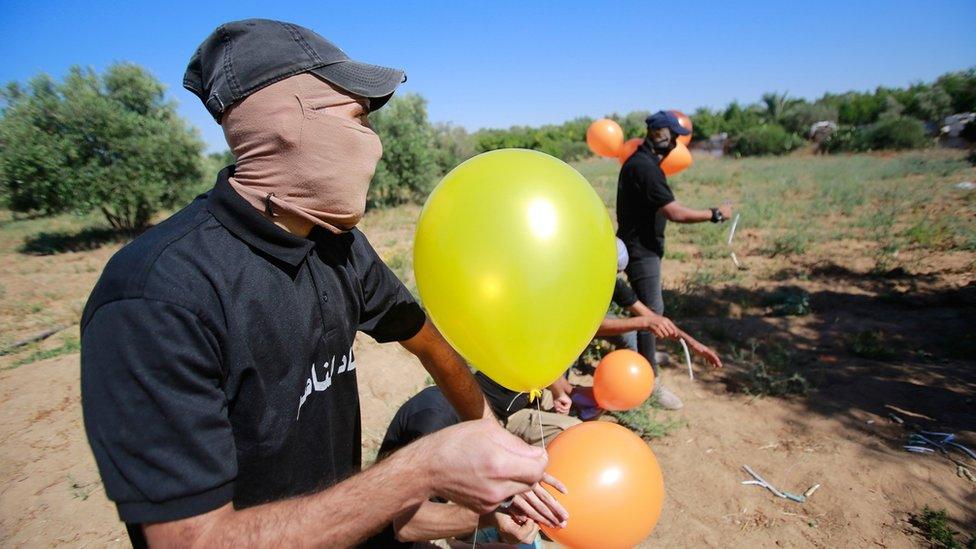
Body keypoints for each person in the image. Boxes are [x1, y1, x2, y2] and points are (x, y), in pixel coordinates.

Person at [80, 19, 561, 547]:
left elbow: (428, 343)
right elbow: (190, 541)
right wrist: (423, 468)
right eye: (357, 116)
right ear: (286, 123)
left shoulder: (338, 246)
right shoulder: (156, 299)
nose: (372, 143)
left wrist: (486, 449)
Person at [616, 111, 732, 408]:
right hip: (641, 249)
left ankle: (648, 355)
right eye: (674, 136)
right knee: (651, 312)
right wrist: (715, 213)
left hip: (642, 245)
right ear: (660, 134)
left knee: (649, 308)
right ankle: (649, 383)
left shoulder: (644, 163)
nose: (677, 142)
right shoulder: (645, 167)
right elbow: (675, 212)